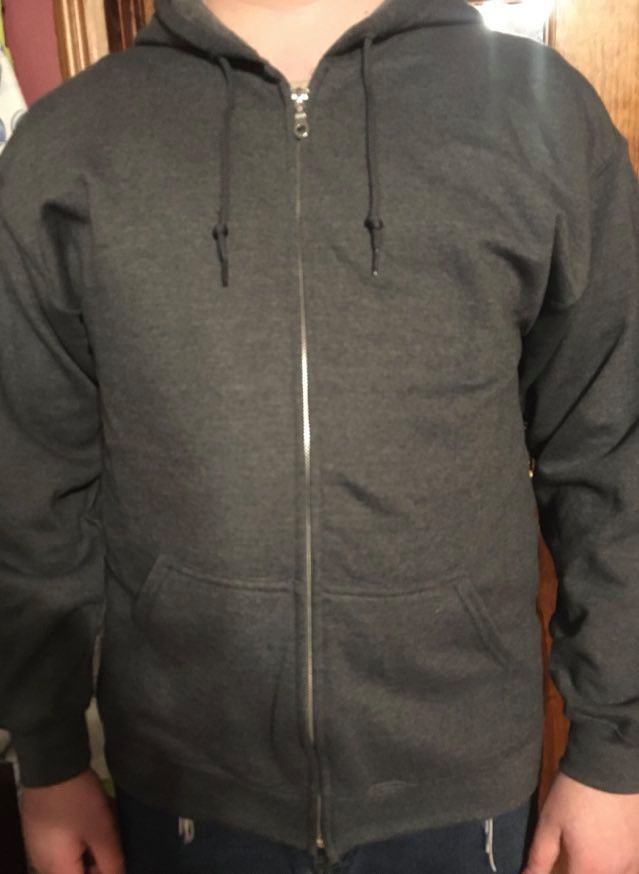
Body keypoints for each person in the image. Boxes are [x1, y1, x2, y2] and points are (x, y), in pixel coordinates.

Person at [0, 0, 638, 871]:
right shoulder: (72, 144)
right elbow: (28, 479)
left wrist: (614, 753)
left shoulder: (539, 114)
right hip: (188, 789)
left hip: (459, 792)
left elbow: (613, 447)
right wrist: (47, 757)